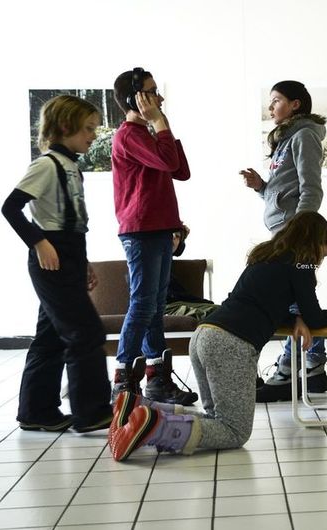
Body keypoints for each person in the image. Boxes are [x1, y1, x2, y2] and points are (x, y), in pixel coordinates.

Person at [108, 212, 327, 460]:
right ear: (312, 244)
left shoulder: (264, 257)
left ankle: (138, 409)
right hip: (230, 345)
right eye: (321, 255)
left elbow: (263, 304)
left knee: (216, 419)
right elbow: (315, 317)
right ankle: (153, 428)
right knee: (234, 431)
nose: (319, 263)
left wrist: (295, 319)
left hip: (204, 336)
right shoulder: (300, 264)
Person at [1, 95, 113, 433]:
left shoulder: (70, 165)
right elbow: (11, 207)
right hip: (53, 257)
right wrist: (38, 242)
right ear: (66, 127)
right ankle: (91, 412)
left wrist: (84, 262)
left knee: (50, 337)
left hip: (71, 252)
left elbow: (72, 221)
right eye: (89, 129)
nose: (94, 135)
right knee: (85, 332)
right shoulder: (46, 165)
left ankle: (37, 411)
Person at [239, 80, 327, 402]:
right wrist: (261, 187)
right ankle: (311, 368)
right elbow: (284, 189)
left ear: (295, 104)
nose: (271, 106)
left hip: (294, 232)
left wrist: (301, 230)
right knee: (296, 294)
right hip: (283, 231)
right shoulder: (286, 138)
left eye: (276, 100)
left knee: (297, 296)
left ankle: (296, 367)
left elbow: (311, 187)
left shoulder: (304, 135)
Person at [110, 67, 196, 406]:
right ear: (136, 99)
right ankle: (122, 381)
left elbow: (181, 171)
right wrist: (160, 123)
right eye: (152, 91)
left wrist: (161, 126)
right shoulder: (129, 135)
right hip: (141, 230)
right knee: (143, 304)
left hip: (159, 228)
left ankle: (157, 380)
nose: (160, 97)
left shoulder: (146, 133)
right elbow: (166, 160)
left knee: (155, 307)